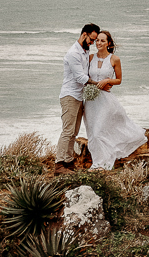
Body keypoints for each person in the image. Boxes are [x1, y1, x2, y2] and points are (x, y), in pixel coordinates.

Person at [81, 30, 149, 171]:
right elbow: (83, 77)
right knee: (92, 133)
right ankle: (97, 162)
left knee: (99, 131)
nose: (99, 43)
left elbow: (119, 80)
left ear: (109, 43)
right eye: (97, 40)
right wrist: (93, 85)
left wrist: (107, 81)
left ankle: (104, 163)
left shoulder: (114, 59)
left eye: (102, 40)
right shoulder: (90, 57)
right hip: (91, 101)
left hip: (105, 100)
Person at [56, 23, 100, 171]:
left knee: (74, 132)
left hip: (79, 96)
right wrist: (98, 84)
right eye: (91, 39)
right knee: (67, 131)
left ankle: (68, 161)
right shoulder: (73, 53)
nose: (92, 43)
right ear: (84, 35)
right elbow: (80, 77)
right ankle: (59, 164)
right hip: (70, 95)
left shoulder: (85, 51)